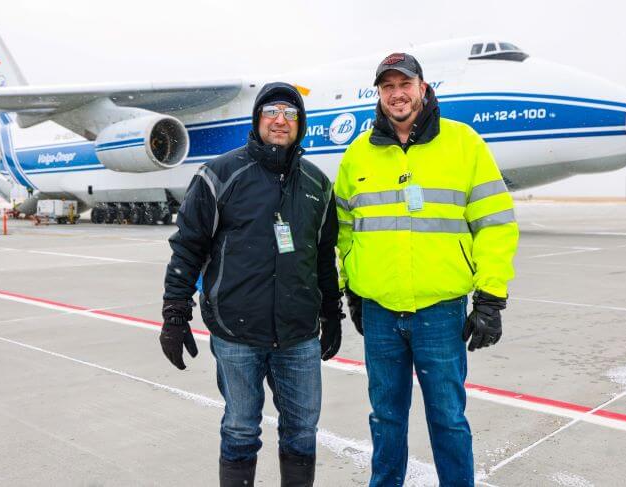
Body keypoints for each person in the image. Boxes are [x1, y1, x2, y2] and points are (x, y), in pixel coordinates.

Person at [334, 53, 519, 486]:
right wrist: (351, 291)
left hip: (440, 311)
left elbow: (495, 225)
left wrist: (491, 296)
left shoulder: (463, 143)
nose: (397, 94)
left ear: (422, 87)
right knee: (385, 419)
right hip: (379, 312)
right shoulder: (358, 154)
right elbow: (342, 231)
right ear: (379, 94)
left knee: (448, 420)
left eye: (405, 84)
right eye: (387, 86)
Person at [159, 82, 343, 487]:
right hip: (236, 333)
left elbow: (324, 255)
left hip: (298, 337)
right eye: (272, 111)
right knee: (241, 431)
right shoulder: (220, 175)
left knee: (301, 433)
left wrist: (332, 313)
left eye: (290, 114)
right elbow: (188, 246)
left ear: (301, 124)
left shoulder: (316, 184)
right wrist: (175, 311)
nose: (281, 121)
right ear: (257, 119)